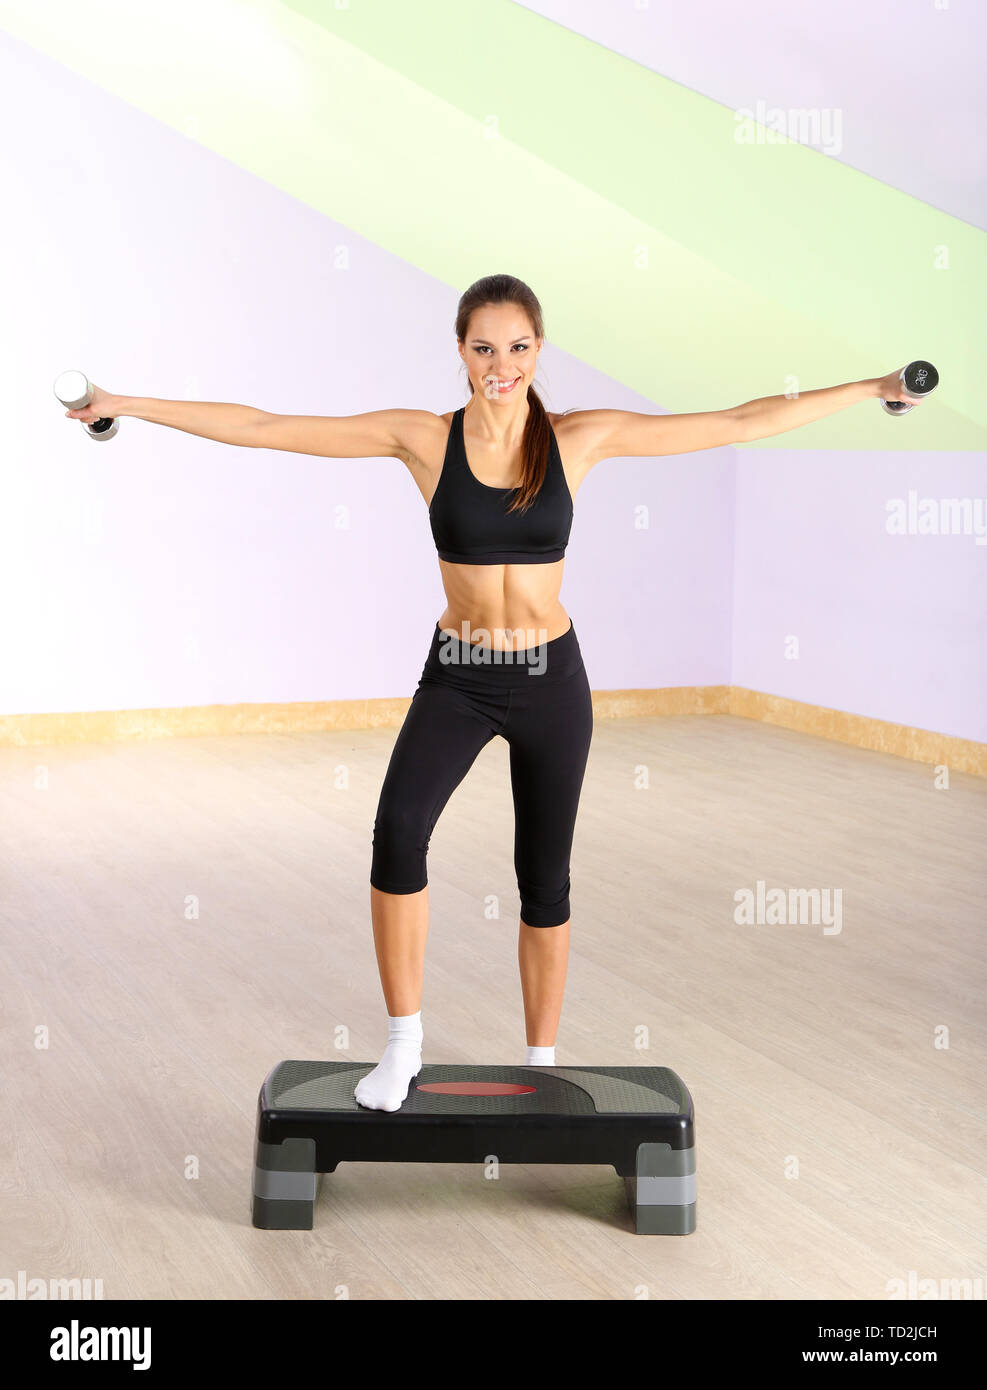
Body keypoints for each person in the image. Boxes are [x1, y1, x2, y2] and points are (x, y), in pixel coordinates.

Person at [65, 272, 927, 1112]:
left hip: (553, 680)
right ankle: (403, 1046)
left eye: (516, 347)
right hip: (461, 675)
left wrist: (870, 389)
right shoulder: (422, 438)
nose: (500, 364)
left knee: (542, 877)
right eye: (484, 348)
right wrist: (125, 404)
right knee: (398, 831)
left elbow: (739, 420)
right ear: (460, 351)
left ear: (538, 349)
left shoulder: (579, 437)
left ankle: (541, 1066)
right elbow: (265, 424)